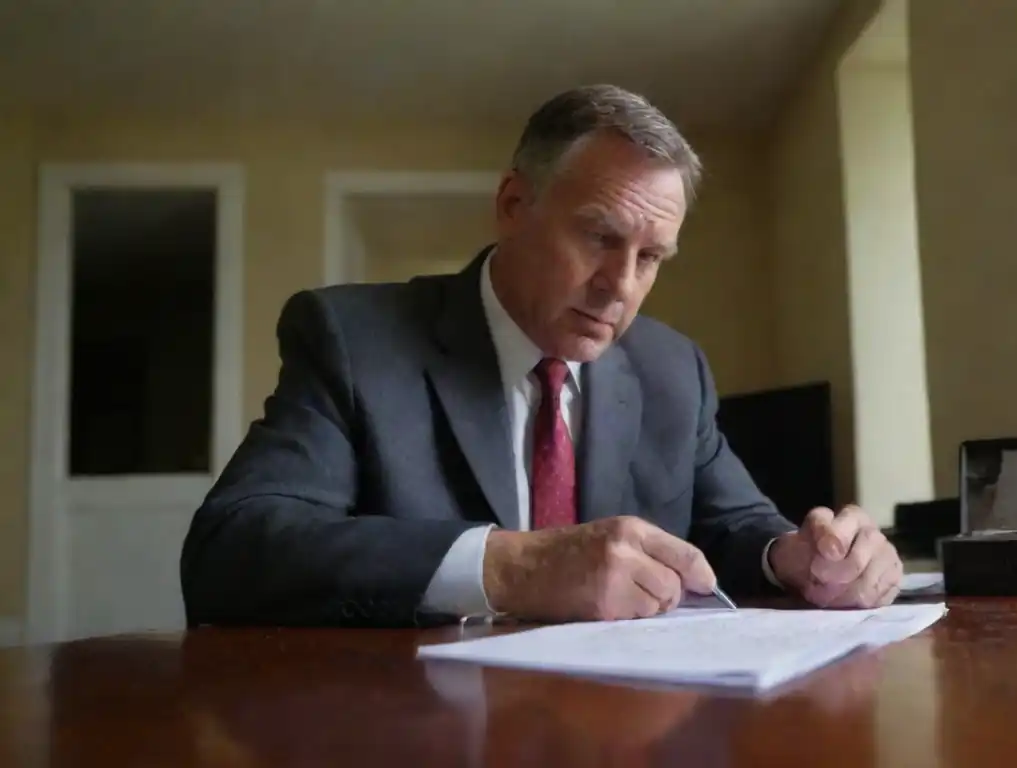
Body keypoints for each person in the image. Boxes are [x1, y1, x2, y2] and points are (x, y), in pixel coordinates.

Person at [179, 84, 903, 628]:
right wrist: (513, 565)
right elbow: (232, 550)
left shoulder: (672, 369)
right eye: (598, 237)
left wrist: (803, 558)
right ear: (513, 206)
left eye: (651, 257)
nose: (620, 287)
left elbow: (737, 525)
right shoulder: (354, 339)